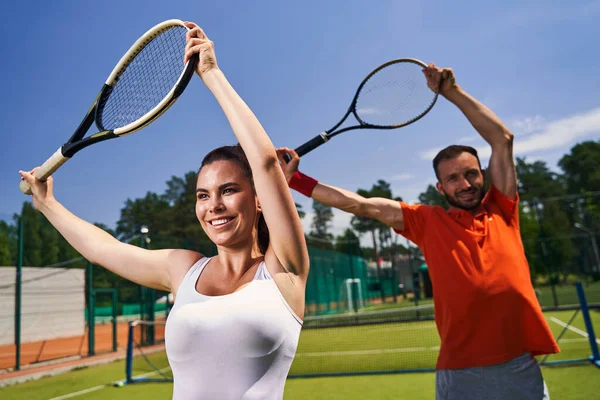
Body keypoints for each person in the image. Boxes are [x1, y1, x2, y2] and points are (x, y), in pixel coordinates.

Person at [20, 22, 308, 400]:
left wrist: (211, 73)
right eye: (202, 195)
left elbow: (267, 164)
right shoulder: (184, 270)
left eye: (229, 190)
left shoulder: (284, 269)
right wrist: (48, 205)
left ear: (258, 200)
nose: (213, 206)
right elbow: (104, 249)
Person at [277, 63, 559, 400]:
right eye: (453, 178)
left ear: (483, 175)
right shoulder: (426, 221)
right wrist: (296, 179)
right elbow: (361, 205)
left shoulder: (503, 210)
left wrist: (451, 93)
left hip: (519, 367)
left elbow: (502, 138)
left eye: (470, 174)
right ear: (440, 187)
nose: (465, 184)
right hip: (460, 371)